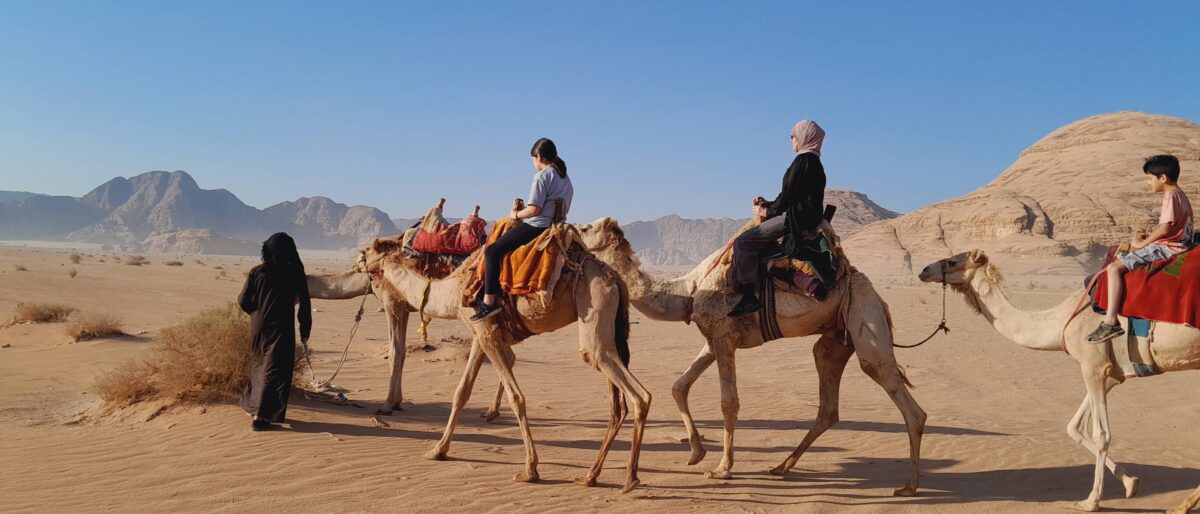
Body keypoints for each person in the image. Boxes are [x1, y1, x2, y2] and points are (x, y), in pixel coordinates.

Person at [1088, 154, 1194, 342]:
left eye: (1150, 178)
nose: (1148, 183)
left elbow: (1165, 228)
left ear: (1163, 178)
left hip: (1167, 248)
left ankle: (1110, 321)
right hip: (1180, 244)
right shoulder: (1181, 195)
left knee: (1114, 269)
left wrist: (1141, 244)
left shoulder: (1170, 195)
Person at [727, 120, 827, 318]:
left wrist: (766, 212)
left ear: (804, 137)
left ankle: (749, 297)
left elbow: (788, 197)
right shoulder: (814, 162)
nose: (791, 140)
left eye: (793, 136)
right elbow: (791, 196)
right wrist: (768, 205)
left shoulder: (803, 161)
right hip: (801, 216)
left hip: (795, 220)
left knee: (743, 242)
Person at [471, 138, 574, 322]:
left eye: (533, 159)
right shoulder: (565, 178)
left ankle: (489, 303)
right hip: (556, 226)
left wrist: (515, 214)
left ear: (539, 157)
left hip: (537, 226)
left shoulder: (542, 176)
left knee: (492, 251)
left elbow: (535, 209)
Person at [239, 232, 312, 430]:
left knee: (259, 364)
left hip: (259, 327)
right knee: (276, 369)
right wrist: (305, 329)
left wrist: (258, 312)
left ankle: (253, 407)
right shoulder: (295, 272)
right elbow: (305, 304)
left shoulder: (257, 271)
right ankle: (262, 417)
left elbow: (243, 301)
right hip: (282, 327)